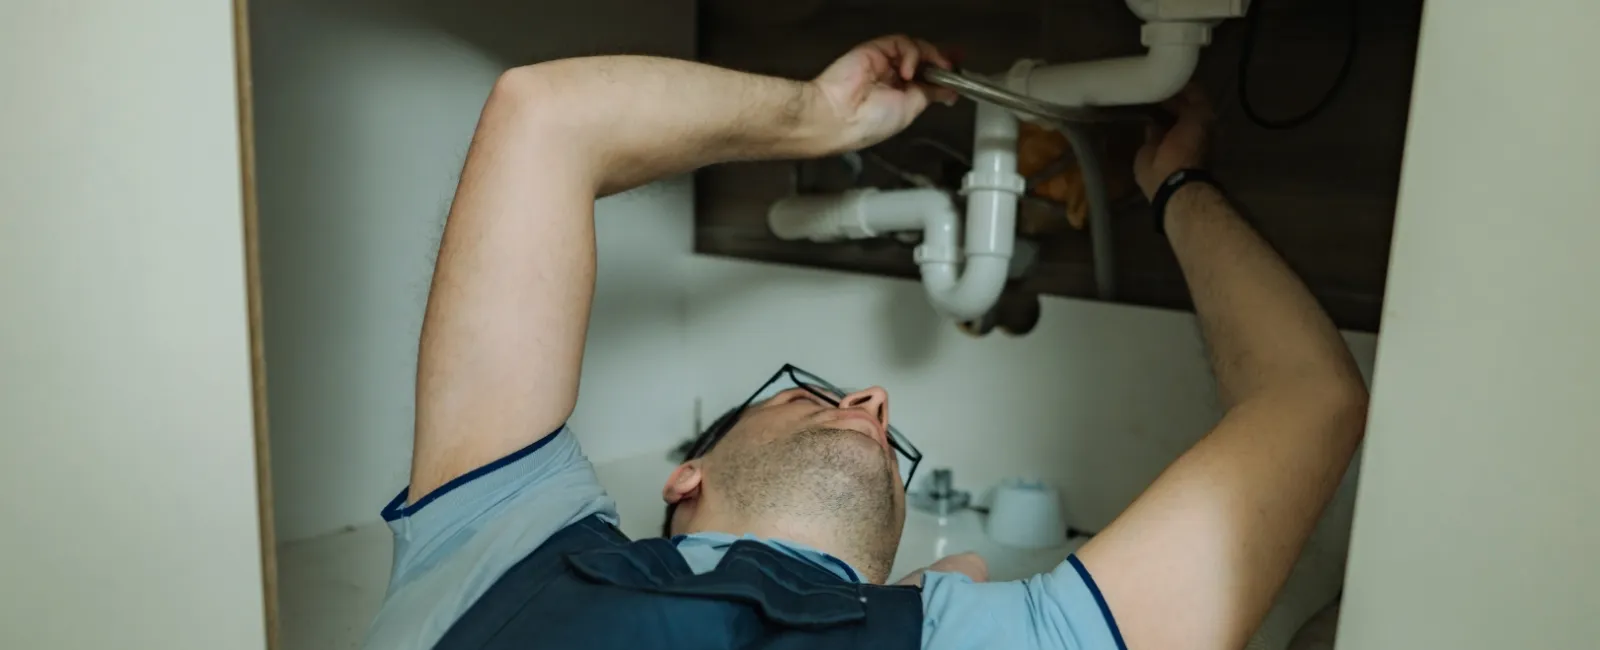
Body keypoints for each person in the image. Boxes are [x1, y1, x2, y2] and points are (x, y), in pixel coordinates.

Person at [364, 35, 1370, 650]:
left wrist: (1175, 188)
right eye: (811, 393)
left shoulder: (992, 631)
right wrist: (814, 117)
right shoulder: (499, 540)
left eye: (861, 411)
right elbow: (545, 114)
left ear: (894, 578)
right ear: (685, 473)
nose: (877, 400)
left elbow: (1312, 396)